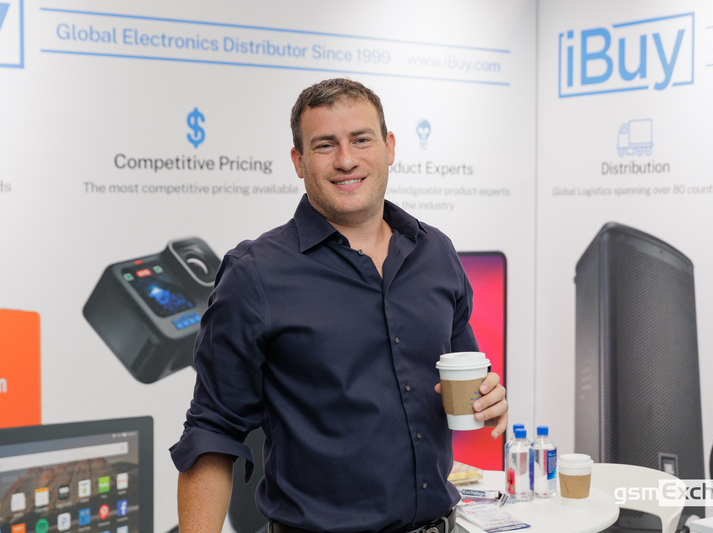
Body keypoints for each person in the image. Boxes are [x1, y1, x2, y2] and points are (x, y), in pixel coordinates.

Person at [171, 78, 508, 533]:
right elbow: (212, 431)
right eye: (325, 145)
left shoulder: (436, 253)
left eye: (361, 139)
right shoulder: (255, 274)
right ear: (299, 161)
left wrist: (489, 398)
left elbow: (465, 372)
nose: (346, 159)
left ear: (389, 147)